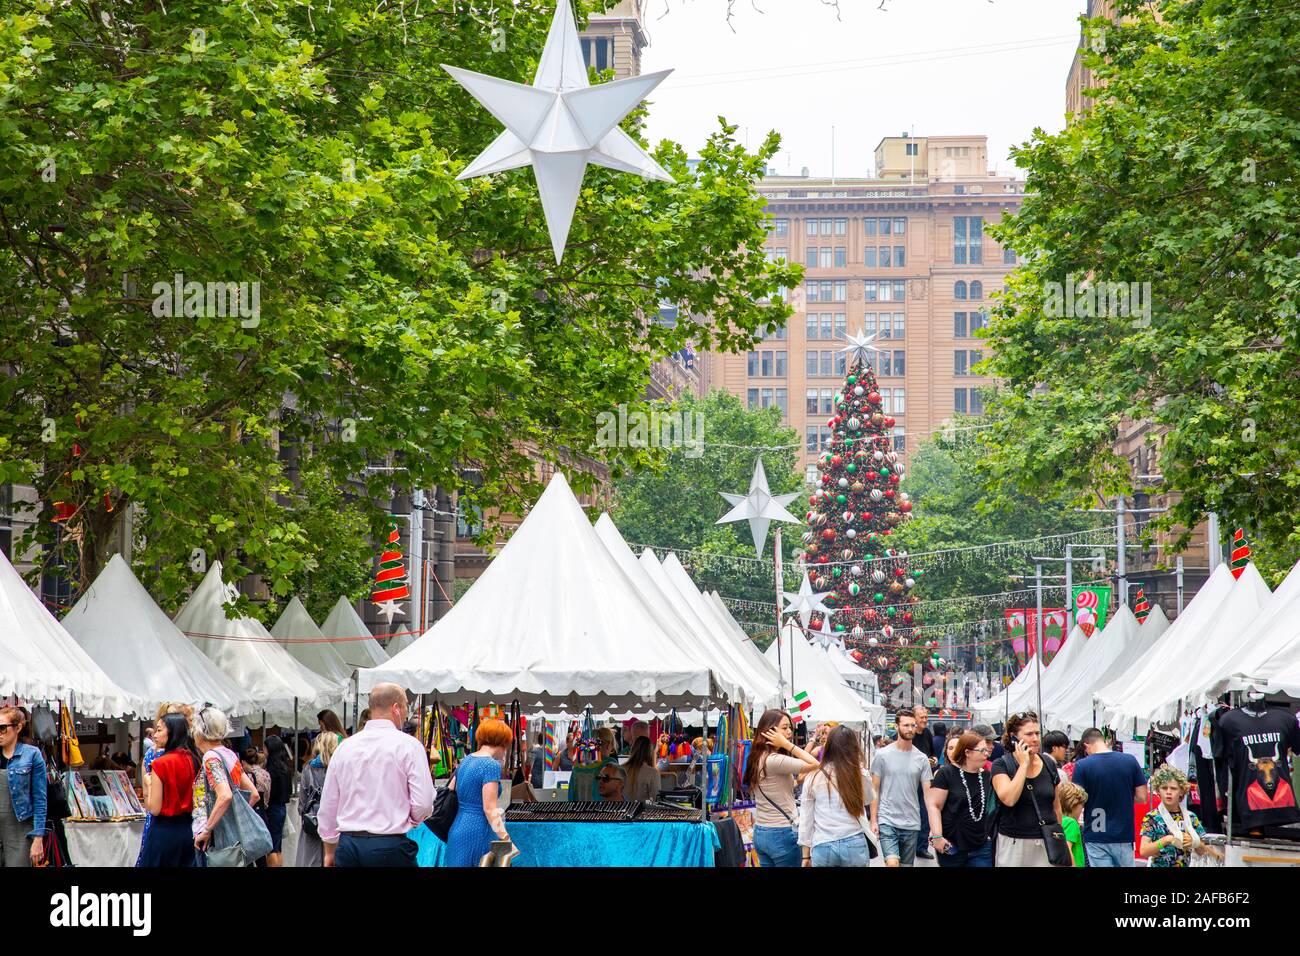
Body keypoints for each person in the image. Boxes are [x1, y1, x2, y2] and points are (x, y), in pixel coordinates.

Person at [318, 683, 433, 867]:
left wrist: (330, 849)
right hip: (389, 843)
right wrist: (411, 819)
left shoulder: (345, 747)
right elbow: (423, 803)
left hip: (349, 845)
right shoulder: (409, 746)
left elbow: (329, 803)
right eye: (405, 706)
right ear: (396, 708)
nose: (406, 714)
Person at [743, 709, 819, 867]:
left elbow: (777, 788)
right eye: (784, 728)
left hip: (761, 831)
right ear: (770, 731)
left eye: (790, 728)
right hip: (781, 832)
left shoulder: (757, 757)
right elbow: (815, 763)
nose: (789, 732)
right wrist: (787, 744)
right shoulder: (774, 759)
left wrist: (797, 782)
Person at [990, 712, 1063, 867]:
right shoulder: (1002, 764)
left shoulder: (1048, 764)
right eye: (1029, 734)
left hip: (1046, 842)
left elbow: (1056, 806)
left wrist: (1059, 837)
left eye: (1037, 733)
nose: (1035, 739)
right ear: (1013, 737)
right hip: (1014, 843)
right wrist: (1023, 765)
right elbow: (1009, 799)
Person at [1069, 727, 1149, 867]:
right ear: (1104, 741)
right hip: (1123, 833)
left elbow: (1077, 802)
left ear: (1086, 745)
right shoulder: (1129, 761)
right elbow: (1142, 797)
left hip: (1095, 831)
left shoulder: (1082, 766)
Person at [798, 727, 875, 867]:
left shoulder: (814, 776)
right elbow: (868, 799)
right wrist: (860, 768)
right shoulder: (858, 774)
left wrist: (805, 855)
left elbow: (806, 819)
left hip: (823, 844)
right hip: (853, 841)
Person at [192, 707, 258, 865]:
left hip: (214, 838)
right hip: (231, 836)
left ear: (201, 732)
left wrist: (208, 829)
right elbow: (253, 794)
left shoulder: (211, 757)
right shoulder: (229, 754)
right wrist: (234, 820)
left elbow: (225, 795)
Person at [444, 717, 513, 867]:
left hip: (458, 828)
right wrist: (505, 838)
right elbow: (489, 809)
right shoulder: (491, 765)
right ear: (501, 742)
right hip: (477, 830)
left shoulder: (466, 760)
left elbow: (451, 790)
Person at [871, 710, 934, 867]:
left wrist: (933, 826)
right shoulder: (882, 755)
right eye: (906, 725)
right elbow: (875, 789)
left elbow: (928, 796)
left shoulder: (921, 759)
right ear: (897, 726)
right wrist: (873, 820)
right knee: (892, 864)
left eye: (913, 725)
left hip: (912, 822)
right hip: (887, 820)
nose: (910, 729)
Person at [926, 730, 995, 868]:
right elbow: (934, 806)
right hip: (951, 845)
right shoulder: (946, 773)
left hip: (981, 845)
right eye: (982, 750)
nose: (987, 753)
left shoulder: (987, 776)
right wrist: (937, 836)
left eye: (987, 750)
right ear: (967, 752)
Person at [139, 713, 200, 868]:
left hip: (164, 832)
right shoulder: (193, 759)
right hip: (189, 830)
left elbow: (154, 808)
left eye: (159, 730)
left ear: (172, 732)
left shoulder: (161, 764)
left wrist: (148, 784)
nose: (155, 735)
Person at [1140, 764, 1222, 867]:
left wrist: (1194, 842)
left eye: (1173, 788)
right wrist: (1165, 840)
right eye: (1164, 788)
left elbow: (1202, 851)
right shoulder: (1152, 818)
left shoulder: (1191, 818)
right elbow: (1144, 851)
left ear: (1181, 791)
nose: (1168, 792)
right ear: (1158, 791)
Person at [0, 706, 47, 867]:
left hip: (19, 828)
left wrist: (38, 837)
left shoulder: (32, 755)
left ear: (18, 727)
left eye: (3, 728)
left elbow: (40, 798)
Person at [295, 731, 338, 867]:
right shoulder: (338, 767)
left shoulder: (308, 768)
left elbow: (302, 804)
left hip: (312, 824)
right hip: (335, 826)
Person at [263, 735, 293, 867]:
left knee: (271, 847)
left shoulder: (271, 770)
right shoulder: (285, 768)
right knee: (278, 846)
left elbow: (270, 794)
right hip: (282, 808)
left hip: (272, 808)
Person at [912, 706, 937, 857]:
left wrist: (932, 759)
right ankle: (909, 844)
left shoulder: (927, 733)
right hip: (911, 780)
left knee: (925, 811)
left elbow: (932, 752)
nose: (925, 720)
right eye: (922, 717)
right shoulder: (909, 735)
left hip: (925, 780)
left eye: (926, 717)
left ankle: (921, 847)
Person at [1058, 780, 1088, 867]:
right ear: (1073, 804)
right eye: (1082, 805)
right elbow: (1067, 850)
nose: (1082, 809)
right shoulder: (1071, 823)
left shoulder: (1059, 820)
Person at [623, 735, 660, 802]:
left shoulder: (621, 768)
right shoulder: (652, 773)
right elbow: (656, 799)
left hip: (623, 809)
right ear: (650, 752)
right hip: (644, 811)